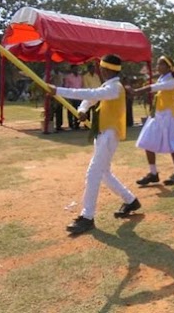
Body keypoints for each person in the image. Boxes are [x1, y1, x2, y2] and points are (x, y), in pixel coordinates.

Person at [47, 54, 141, 235]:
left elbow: (91, 94)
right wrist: (82, 109)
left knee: (93, 173)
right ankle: (130, 200)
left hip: (109, 135)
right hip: (102, 134)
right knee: (104, 173)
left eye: (102, 68)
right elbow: (90, 99)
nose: (100, 70)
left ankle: (87, 217)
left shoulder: (115, 88)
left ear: (107, 69)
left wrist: (58, 90)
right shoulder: (108, 86)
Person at [134, 56, 174, 186]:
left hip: (169, 117)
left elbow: (156, 88)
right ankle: (153, 173)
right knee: (146, 142)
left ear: (169, 68)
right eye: (157, 64)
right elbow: (170, 96)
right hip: (157, 116)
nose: (158, 67)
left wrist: (136, 91)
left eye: (161, 64)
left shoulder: (172, 81)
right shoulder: (162, 79)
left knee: (173, 145)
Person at [64, 65, 83, 129]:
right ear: (71, 69)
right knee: (70, 111)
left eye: (77, 69)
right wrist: (67, 97)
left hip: (79, 96)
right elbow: (66, 86)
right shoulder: (68, 77)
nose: (76, 70)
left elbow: (81, 86)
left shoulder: (80, 77)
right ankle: (71, 125)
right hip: (71, 96)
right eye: (74, 69)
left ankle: (77, 125)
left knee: (78, 110)